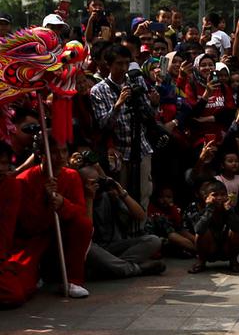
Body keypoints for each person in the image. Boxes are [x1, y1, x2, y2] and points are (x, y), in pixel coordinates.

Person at [0, 143, 94, 303]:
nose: (61, 157)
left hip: (65, 239)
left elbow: (81, 213)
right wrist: (44, 200)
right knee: (19, 288)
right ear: (41, 154)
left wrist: (63, 203)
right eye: (54, 152)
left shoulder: (71, 176)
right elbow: (26, 224)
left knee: (83, 226)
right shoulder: (23, 180)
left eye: (64, 151)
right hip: (32, 241)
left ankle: (73, 280)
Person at [89, 45, 157, 201]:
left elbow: (149, 114)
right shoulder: (98, 90)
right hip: (119, 152)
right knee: (122, 197)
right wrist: (117, 106)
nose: (124, 68)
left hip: (142, 148)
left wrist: (154, 104)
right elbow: (103, 125)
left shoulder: (136, 79)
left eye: (127, 63)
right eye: (119, 63)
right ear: (108, 64)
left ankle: (141, 225)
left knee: (143, 194)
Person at [79, 164, 166, 280]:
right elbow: (86, 232)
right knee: (88, 248)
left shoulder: (108, 196)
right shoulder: (79, 199)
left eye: (98, 182)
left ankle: (106, 270)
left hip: (114, 247)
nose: (96, 186)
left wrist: (122, 194)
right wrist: (89, 198)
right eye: (92, 183)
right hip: (94, 249)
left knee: (154, 240)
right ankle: (136, 269)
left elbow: (141, 216)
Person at [187, 179, 239, 274]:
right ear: (206, 197)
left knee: (237, 231)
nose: (219, 198)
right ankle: (201, 262)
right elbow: (198, 230)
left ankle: (234, 261)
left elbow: (238, 228)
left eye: (222, 194)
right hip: (210, 249)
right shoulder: (202, 211)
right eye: (215, 195)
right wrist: (209, 209)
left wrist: (229, 211)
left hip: (226, 249)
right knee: (201, 232)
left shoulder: (231, 209)